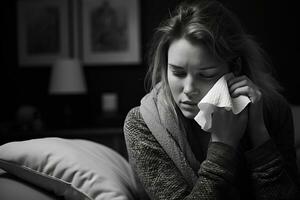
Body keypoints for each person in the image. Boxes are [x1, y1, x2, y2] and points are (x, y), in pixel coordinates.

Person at [123, 0, 300, 199]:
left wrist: (259, 133)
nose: (189, 90)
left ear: (235, 69)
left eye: (206, 75)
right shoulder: (142, 124)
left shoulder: (273, 110)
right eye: (178, 72)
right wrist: (223, 148)